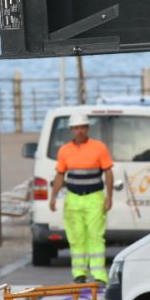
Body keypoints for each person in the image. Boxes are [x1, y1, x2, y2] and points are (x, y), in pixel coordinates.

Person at [48, 110, 114, 284]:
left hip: (94, 198)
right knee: (76, 237)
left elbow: (108, 173)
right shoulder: (65, 151)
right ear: (71, 130)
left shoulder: (99, 148)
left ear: (87, 128)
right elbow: (60, 175)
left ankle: (99, 275)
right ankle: (79, 273)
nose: (79, 131)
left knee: (95, 236)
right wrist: (53, 197)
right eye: (76, 128)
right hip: (73, 199)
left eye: (82, 127)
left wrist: (109, 197)